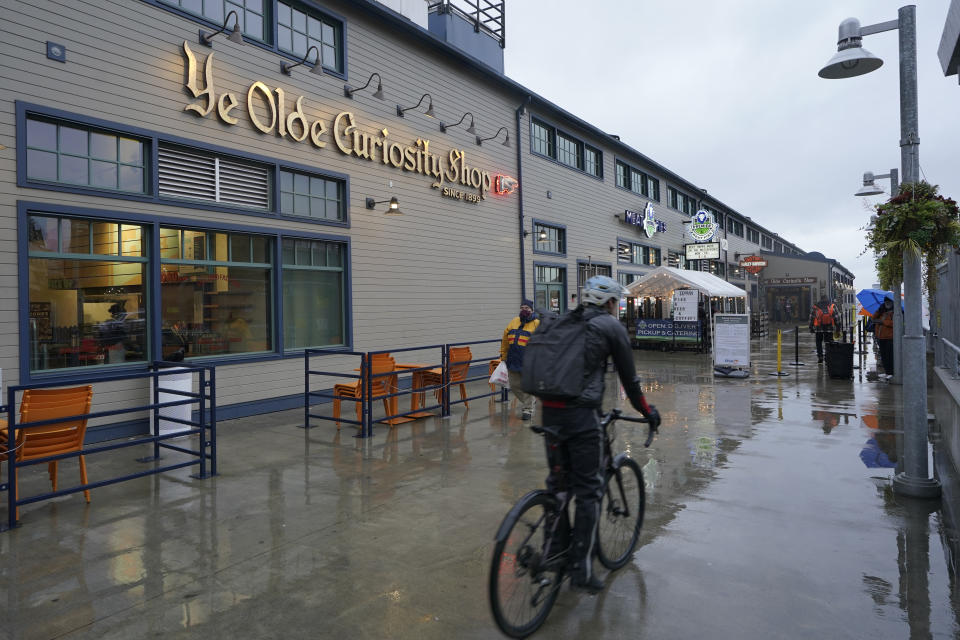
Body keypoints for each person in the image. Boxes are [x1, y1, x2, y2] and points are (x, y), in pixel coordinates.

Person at [540, 275, 661, 593]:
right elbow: (631, 382)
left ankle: (553, 553)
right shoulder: (610, 327)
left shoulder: (563, 321)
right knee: (589, 490)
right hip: (580, 418)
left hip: (549, 413)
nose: (617, 307)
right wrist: (648, 412)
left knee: (558, 487)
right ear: (609, 303)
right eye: (617, 302)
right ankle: (580, 567)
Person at [500, 299, 540, 420]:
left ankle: (527, 409)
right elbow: (505, 340)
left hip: (529, 361)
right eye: (522, 308)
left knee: (527, 386)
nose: (524, 310)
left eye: (527, 308)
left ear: (532, 310)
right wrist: (503, 355)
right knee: (513, 385)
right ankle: (531, 402)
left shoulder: (537, 324)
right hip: (513, 359)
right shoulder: (514, 321)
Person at [809, 296, 841, 363]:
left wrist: (811, 327)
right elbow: (837, 317)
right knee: (829, 343)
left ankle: (820, 356)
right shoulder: (832, 306)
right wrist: (838, 327)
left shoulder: (816, 306)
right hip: (829, 328)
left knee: (818, 342)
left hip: (818, 328)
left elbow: (811, 317)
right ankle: (827, 356)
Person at [873, 295, 895, 378]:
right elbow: (873, 318)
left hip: (890, 338)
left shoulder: (895, 312)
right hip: (881, 337)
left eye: (889, 302)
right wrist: (879, 310)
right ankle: (887, 372)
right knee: (884, 356)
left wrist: (883, 322)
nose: (887, 304)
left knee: (890, 356)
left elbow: (894, 324)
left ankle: (891, 372)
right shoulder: (882, 311)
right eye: (886, 302)